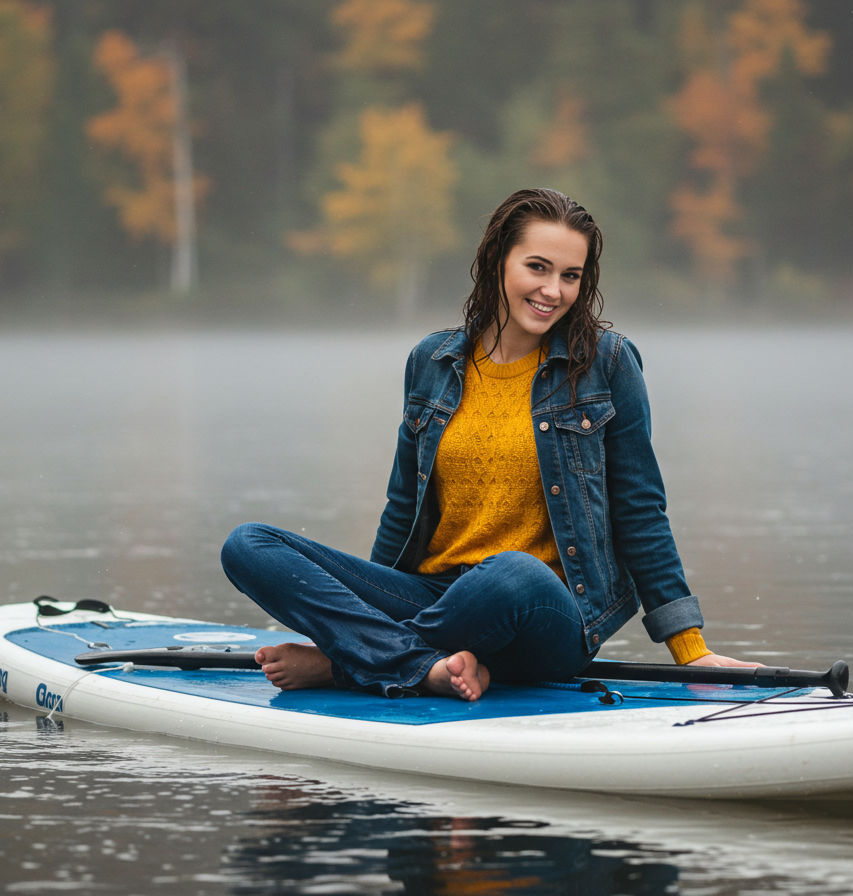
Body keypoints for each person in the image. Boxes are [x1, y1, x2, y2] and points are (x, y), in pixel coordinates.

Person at [220, 187, 757, 702]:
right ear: (499, 258)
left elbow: (640, 509)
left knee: (512, 571)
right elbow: (404, 508)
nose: (554, 291)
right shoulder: (431, 362)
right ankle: (416, 663)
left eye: (571, 275)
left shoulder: (607, 364)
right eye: (538, 267)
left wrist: (691, 650)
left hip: (544, 611)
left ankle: (350, 663)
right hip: (438, 597)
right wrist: (367, 601)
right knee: (249, 545)